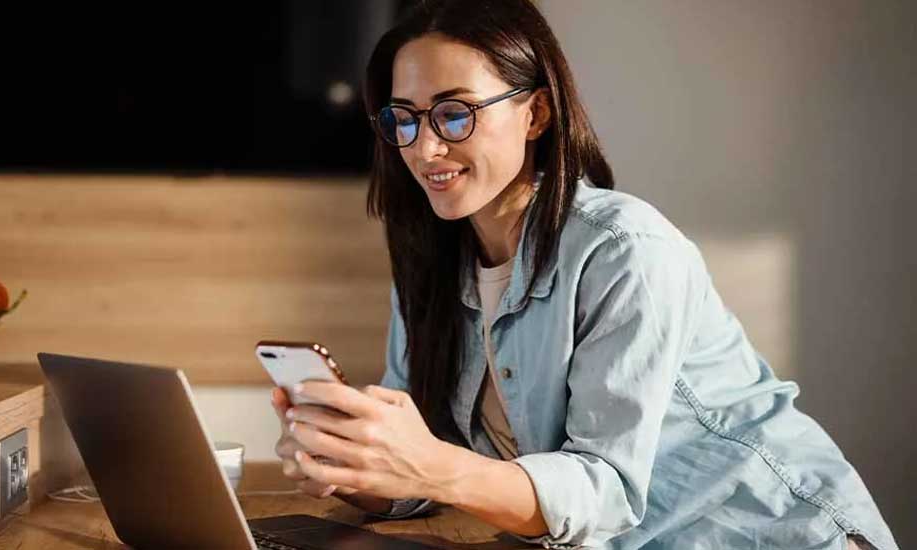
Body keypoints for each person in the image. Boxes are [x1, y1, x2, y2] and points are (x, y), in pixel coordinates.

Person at [269, 1, 898, 548]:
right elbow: (423, 479)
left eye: (454, 114)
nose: (423, 148)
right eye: (402, 118)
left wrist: (427, 464)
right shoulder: (430, 267)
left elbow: (604, 492)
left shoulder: (627, 250)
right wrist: (357, 467)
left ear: (536, 114)